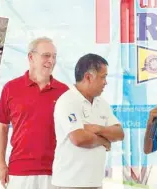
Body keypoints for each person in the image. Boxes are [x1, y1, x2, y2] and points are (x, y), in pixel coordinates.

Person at [0, 37, 68, 189]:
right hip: (19, 173)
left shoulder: (64, 92)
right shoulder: (11, 88)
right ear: (31, 57)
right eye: (46, 55)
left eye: (54, 56)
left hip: (56, 172)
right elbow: (2, 128)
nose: (51, 61)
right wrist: (1, 165)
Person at [52, 53, 124, 189]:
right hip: (69, 183)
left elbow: (119, 133)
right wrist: (103, 140)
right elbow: (79, 138)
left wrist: (97, 129)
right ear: (88, 77)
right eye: (103, 77)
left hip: (95, 183)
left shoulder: (102, 103)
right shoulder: (68, 101)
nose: (105, 82)